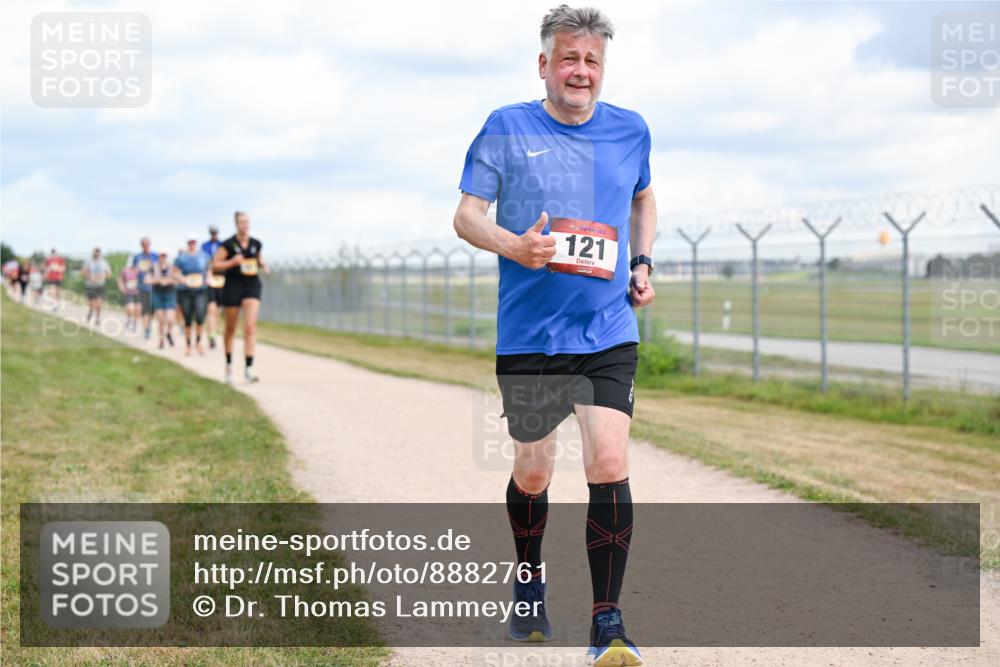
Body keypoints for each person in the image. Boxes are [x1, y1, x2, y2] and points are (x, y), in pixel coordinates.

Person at [452, 6, 655, 665]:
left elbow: (643, 197)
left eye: (592, 60)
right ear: (544, 64)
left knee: (609, 463)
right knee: (534, 471)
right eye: (569, 58)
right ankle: (529, 578)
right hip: (531, 336)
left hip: (606, 330)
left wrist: (642, 262)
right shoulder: (506, 127)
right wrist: (515, 245)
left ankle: (607, 622)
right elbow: (466, 215)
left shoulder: (631, 129)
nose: (581, 71)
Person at [213, 211, 268, 383]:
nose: (245, 225)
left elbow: (258, 260)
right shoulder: (228, 244)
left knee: (250, 326)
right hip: (233, 286)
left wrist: (263, 264)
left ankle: (249, 368)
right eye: (242, 222)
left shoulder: (256, 243)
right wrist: (232, 262)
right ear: (236, 224)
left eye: (247, 222)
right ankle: (229, 365)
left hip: (252, 285)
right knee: (231, 327)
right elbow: (215, 265)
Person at [174, 234, 211, 355]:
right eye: (190, 242)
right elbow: (175, 272)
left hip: (200, 290)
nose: (192, 244)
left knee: (200, 316)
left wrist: (208, 278)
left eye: (194, 242)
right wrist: (182, 279)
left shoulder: (204, 256)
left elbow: (209, 271)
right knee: (188, 318)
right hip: (185, 291)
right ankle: (188, 345)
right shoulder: (181, 257)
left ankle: (198, 342)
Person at [201, 225, 224, 349]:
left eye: (215, 232)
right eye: (212, 232)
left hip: (221, 280)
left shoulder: (222, 245)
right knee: (211, 309)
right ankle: (211, 335)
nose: (213, 234)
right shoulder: (205, 246)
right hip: (210, 280)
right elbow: (203, 263)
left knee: (218, 311)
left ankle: (214, 331)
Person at [131, 237, 158, 339]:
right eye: (143, 244)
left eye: (147, 244)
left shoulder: (155, 256)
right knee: (144, 310)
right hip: (142, 287)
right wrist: (137, 269)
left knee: (152, 309)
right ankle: (147, 329)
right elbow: (133, 271)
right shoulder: (137, 257)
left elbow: (159, 269)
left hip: (153, 287)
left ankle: (149, 324)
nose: (145, 246)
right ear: (141, 245)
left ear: (149, 244)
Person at [150, 251, 177, 349]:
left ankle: (169, 333)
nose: (163, 257)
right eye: (161, 255)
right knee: (161, 319)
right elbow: (147, 279)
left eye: (164, 255)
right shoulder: (153, 267)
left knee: (170, 318)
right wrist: (157, 281)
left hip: (170, 294)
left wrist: (169, 281)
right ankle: (161, 339)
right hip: (158, 294)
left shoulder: (172, 267)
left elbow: (178, 279)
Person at [82, 247, 113, 325]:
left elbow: (109, 274)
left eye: (98, 252)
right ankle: (91, 311)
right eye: (95, 252)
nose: (96, 254)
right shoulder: (88, 262)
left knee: (99, 303)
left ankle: (98, 317)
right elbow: (83, 272)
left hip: (100, 285)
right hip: (90, 285)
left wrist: (101, 277)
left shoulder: (104, 262)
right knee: (91, 303)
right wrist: (89, 277)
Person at [118, 261, 142, 332]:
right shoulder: (125, 270)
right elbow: (120, 279)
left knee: (138, 309)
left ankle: (136, 324)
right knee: (130, 308)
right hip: (128, 292)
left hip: (138, 292)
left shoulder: (140, 270)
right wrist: (121, 287)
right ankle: (130, 320)